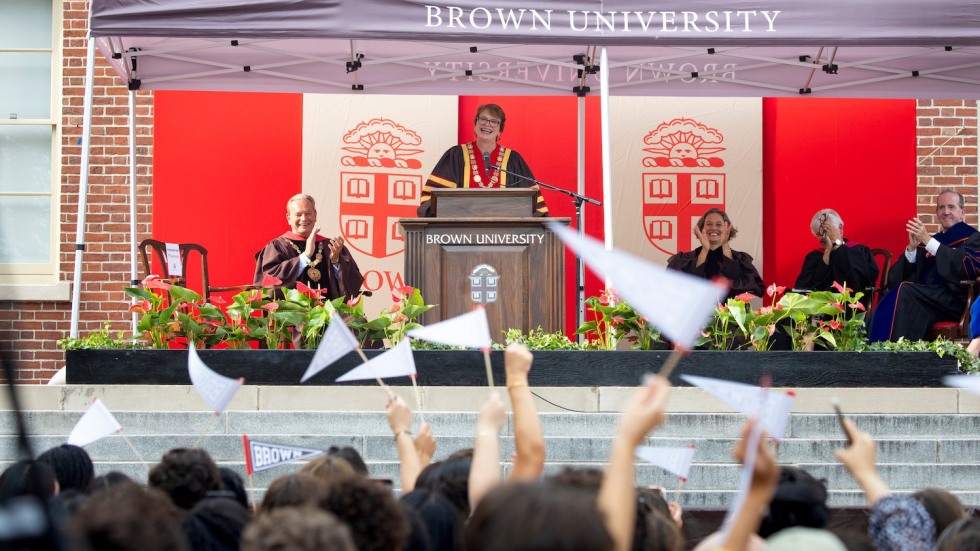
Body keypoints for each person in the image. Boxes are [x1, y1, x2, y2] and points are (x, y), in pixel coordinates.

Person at [870, 189, 980, 342]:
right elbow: (898, 277)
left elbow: (964, 267)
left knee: (905, 290)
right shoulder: (932, 240)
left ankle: (887, 351)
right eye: (941, 207)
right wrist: (912, 249)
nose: (946, 211)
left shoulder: (973, 238)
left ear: (962, 212)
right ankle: (875, 347)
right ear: (936, 212)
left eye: (951, 207)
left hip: (953, 300)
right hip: (929, 300)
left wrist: (928, 242)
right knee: (898, 289)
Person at [417, 103, 549, 217]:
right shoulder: (456, 156)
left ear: (500, 130)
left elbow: (531, 204)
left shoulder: (513, 160)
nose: (487, 124)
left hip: (505, 237)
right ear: (475, 124)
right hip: (460, 234)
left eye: (494, 121)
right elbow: (434, 199)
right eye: (483, 119)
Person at [253, 193, 364, 299]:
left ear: (315, 215)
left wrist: (336, 262)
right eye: (298, 214)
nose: (304, 218)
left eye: (308, 213)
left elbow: (353, 283)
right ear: (288, 218)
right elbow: (270, 283)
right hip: (293, 315)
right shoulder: (276, 247)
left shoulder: (330, 246)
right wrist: (305, 256)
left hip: (330, 314)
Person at [666, 208, 764, 300]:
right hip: (696, 315)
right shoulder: (684, 259)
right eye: (709, 224)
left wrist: (725, 244)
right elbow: (681, 284)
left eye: (718, 224)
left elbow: (751, 286)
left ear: (727, 229)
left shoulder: (740, 259)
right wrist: (705, 249)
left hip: (730, 316)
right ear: (701, 229)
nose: (713, 228)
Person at [794, 208, 879, 305]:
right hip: (818, 309)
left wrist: (837, 244)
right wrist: (827, 252)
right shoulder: (813, 257)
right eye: (819, 234)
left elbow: (863, 280)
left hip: (850, 307)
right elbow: (802, 288)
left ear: (840, 229)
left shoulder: (859, 251)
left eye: (827, 230)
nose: (824, 237)